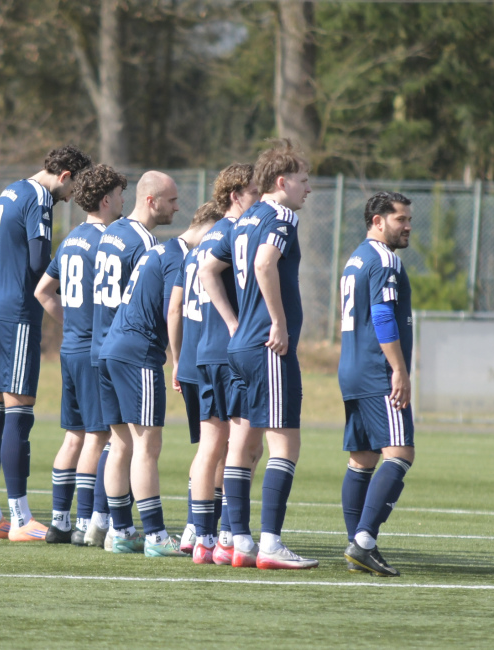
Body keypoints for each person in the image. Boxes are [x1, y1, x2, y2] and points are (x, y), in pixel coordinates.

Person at [199, 139, 318, 570]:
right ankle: (269, 543)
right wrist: (278, 323)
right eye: (304, 181)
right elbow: (266, 265)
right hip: (268, 346)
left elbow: (207, 268)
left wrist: (234, 324)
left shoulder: (245, 218)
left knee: (244, 442)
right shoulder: (280, 216)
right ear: (282, 181)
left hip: (240, 347)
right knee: (285, 444)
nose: (309, 189)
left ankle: (239, 541)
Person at [0, 145, 92, 542]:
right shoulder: (40, 198)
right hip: (14, 312)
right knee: (18, 412)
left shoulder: (12, 190)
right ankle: (21, 519)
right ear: (66, 174)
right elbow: (40, 260)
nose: (74, 196)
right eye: (76, 185)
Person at [100, 188, 214, 558]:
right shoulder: (182, 257)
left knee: (121, 445)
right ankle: (155, 535)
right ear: (210, 228)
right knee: (147, 447)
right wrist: (179, 359)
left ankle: (121, 532)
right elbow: (175, 311)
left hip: (110, 349)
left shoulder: (157, 248)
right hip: (138, 354)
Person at [34, 164, 126, 544]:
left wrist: (70, 321)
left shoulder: (72, 238)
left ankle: (60, 520)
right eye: (121, 194)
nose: (125, 201)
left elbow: (42, 291)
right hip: (92, 349)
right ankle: (86, 521)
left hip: (70, 346)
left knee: (73, 437)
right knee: (97, 437)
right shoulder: (111, 241)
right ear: (106, 200)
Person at [84, 170, 175, 548]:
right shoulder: (145, 242)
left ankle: (111, 526)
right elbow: (143, 301)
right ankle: (147, 531)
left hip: (102, 347)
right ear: (151, 201)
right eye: (171, 201)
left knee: (117, 444)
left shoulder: (111, 233)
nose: (176, 208)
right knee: (142, 446)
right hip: (132, 349)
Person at [173, 164, 259, 564]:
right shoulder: (233, 234)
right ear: (235, 195)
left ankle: (202, 534)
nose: (260, 200)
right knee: (242, 446)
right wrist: (235, 325)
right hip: (226, 353)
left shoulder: (204, 241)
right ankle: (227, 532)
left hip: (202, 352)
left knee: (212, 447)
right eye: (254, 192)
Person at [339, 191, 415, 577]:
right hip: (375, 370)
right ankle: (364, 540)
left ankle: (359, 546)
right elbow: (383, 315)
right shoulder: (384, 259)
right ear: (377, 220)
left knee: (362, 459)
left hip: (351, 367)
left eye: (408, 220)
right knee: (400, 454)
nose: (407, 227)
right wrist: (398, 369)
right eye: (400, 219)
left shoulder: (356, 258)